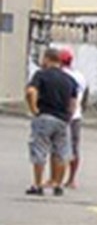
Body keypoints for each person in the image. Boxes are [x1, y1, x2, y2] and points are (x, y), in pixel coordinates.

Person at [25, 48, 78, 196]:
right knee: (60, 153)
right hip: (62, 120)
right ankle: (57, 184)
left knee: (40, 150)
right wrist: (69, 116)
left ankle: (37, 184)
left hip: (45, 116)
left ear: (47, 59)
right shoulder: (70, 80)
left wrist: (34, 108)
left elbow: (31, 91)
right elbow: (73, 102)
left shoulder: (41, 75)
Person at [60, 47, 88, 189]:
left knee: (59, 148)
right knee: (74, 148)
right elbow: (85, 97)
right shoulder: (80, 76)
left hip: (61, 115)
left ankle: (56, 177)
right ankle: (71, 179)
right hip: (76, 115)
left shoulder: (59, 75)